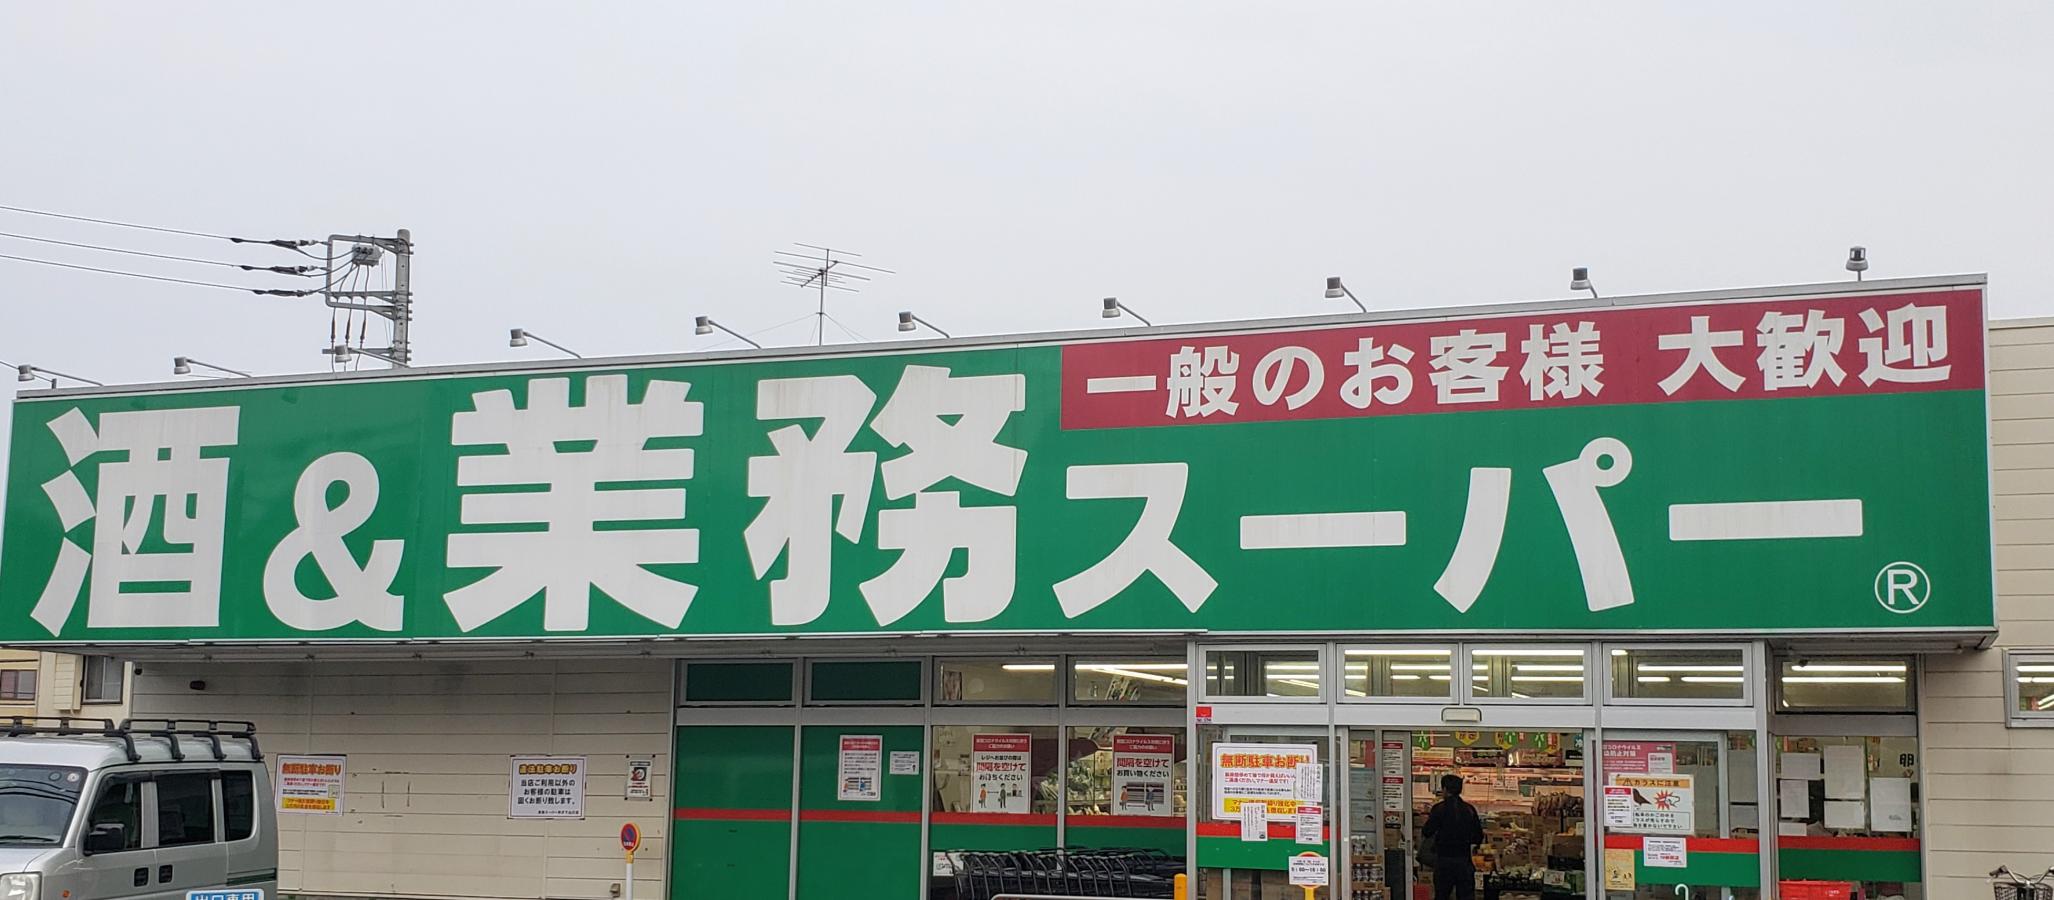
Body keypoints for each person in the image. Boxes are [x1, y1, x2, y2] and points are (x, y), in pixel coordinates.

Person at [1421, 773, 1485, 900]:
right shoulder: (1469, 809)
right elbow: (1478, 836)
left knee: (1442, 895)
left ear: (1445, 789)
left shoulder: (1439, 809)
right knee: (1465, 896)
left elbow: (1427, 831)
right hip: (1464, 860)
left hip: (1443, 860)